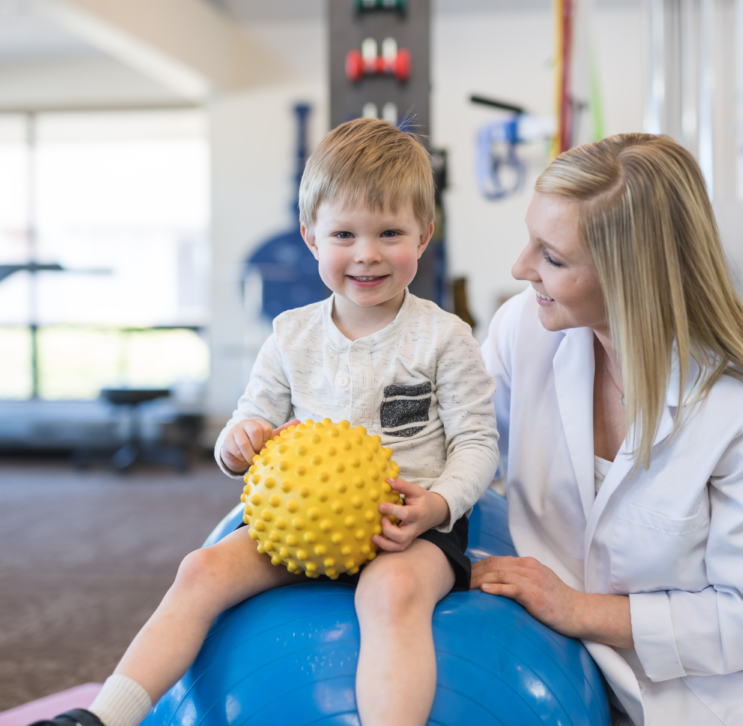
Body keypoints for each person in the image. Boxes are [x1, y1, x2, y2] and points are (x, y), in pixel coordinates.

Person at [33, 119, 498, 726]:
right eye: (344, 234)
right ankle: (104, 717)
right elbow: (249, 422)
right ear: (310, 237)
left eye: (390, 233)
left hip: (406, 531)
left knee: (390, 594)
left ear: (424, 235)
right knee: (200, 569)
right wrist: (238, 443)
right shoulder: (290, 334)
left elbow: (478, 443)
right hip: (302, 525)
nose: (367, 253)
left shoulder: (444, 336)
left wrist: (435, 507)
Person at [471, 133, 743, 726]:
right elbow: (462, 446)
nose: (521, 268)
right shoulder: (526, 329)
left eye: (552, 257)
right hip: (589, 670)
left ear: (630, 276)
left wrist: (577, 608)